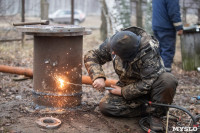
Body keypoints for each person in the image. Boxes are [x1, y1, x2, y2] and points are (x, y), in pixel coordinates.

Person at [84, 26, 178, 132]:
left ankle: (157, 114)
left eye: (116, 53)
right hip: (128, 85)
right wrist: (98, 76)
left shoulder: (148, 52)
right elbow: (92, 55)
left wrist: (123, 91)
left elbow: (148, 82)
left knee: (168, 80)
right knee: (106, 106)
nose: (113, 54)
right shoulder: (116, 41)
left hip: (151, 88)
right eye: (113, 51)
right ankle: (147, 109)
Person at [152, 0, 183, 72]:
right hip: (166, 28)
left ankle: (156, 75)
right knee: (167, 52)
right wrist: (179, 27)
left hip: (156, 26)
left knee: (157, 52)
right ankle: (165, 76)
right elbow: (174, 11)